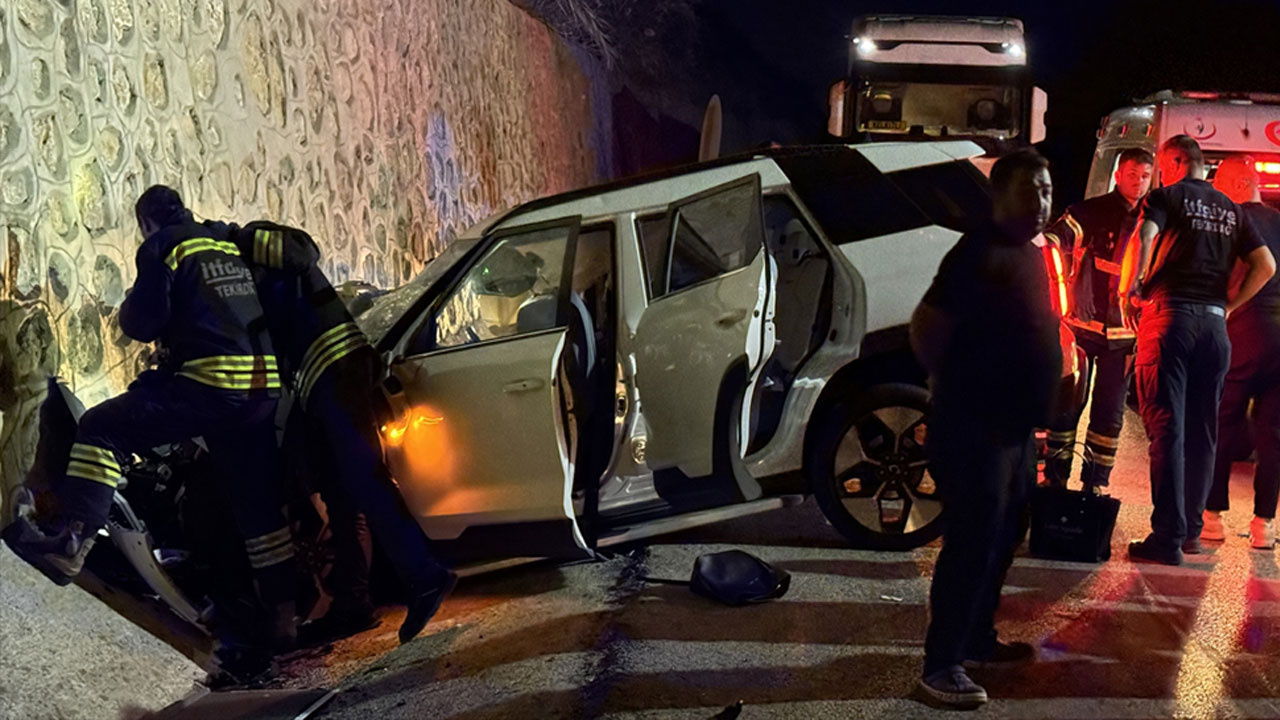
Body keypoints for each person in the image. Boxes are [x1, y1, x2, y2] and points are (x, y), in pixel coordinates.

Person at [2, 185, 298, 682]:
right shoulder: (221, 241)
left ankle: (69, 546)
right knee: (258, 508)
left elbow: (143, 322)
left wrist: (127, 307)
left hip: (211, 383)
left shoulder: (164, 246)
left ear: (146, 223)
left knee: (101, 428)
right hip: (261, 387)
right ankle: (286, 616)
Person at [217, 219, 456, 645]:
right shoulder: (243, 283)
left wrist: (233, 235)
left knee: (366, 480)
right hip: (317, 392)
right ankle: (353, 605)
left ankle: (426, 576)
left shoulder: (256, 242)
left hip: (339, 377)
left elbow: (302, 250)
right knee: (342, 498)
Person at [910, 149, 1062, 709]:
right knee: (972, 541)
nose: (1042, 201)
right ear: (998, 194)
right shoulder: (977, 252)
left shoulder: (1027, 253)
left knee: (1004, 536)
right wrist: (953, 391)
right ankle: (940, 664)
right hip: (974, 425)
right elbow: (926, 328)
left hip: (1013, 430)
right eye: (1030, 190)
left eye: (1047, 190)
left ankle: (976, 638)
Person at [1119, 136, 1277, 565]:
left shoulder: (1164, 197)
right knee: (1203, 430)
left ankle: (1166, 539)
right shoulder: (1231, 210)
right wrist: (1228, 306)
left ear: (1175, 162)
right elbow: (1266, 266)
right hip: (1213, 328)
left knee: (1167, 428)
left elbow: (1145, 237)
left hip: (1170, 320)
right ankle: (1190, 533)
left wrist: (1131, 286)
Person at [1042, 148, 1153, 493]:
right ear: (1118, 175)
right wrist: (1063, 295)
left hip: (1124, 338)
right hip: (1080, 331)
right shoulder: (1089, 212)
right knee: (1066, 406)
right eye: (1132, 174)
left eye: (1145, 176)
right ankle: (1055, 479)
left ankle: (1096, 485)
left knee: (1109, 415)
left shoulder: (1153, 220)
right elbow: (1051, 242)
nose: (1138, 182)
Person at [1203, 155, 1280, 549]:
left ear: (1236, 185)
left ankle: (1213, 516)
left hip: (1241, 332)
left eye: (1218, 183)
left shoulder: (1230, 223)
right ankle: (1264, 524)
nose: (1214, 191)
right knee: (1274, 434)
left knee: (1222, 422)